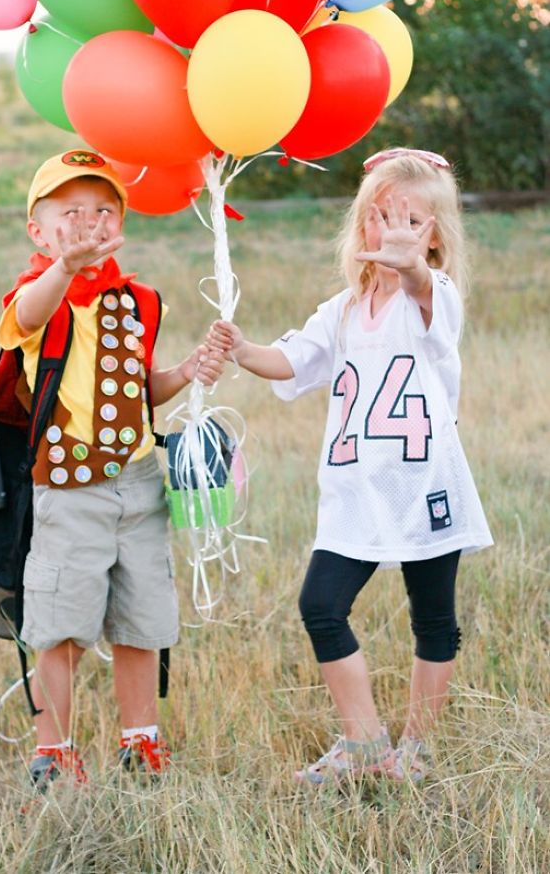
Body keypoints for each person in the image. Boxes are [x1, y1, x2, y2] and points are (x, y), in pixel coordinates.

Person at [208, 147, 493, 785]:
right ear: (360, 224)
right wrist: (244, 349)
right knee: (321, 604)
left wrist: (413, 269)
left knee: (434, 616)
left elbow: (424, 292)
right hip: (355, 490)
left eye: (411, 221)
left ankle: (415, 750)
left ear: (436, 240)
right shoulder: (340, 311)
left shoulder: (435, 296)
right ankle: (364, 743)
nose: (391, 231)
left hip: (422, 485)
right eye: (379, 216)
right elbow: (293, 361)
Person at [0, 149, 223, 791]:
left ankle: (140, 741)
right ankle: (54, 752)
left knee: (142, 618)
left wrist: (187, 372)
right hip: (69, 489)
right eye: (71, 213)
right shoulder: (36, 298)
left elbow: (140, 389)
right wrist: (65, 269)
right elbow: (30, 318)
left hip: (139, 482)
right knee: (61, 623)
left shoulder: (140, 300)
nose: (89, 222)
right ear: (39, 231)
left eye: (103, 209)